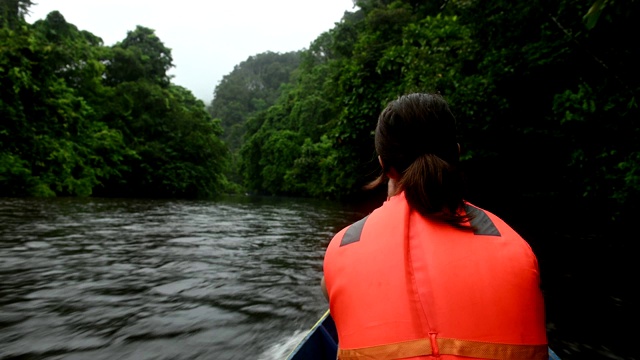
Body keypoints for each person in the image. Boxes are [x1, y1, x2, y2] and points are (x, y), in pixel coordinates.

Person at [321, 93, 548, 359]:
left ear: (384, 164)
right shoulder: (516, 245)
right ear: (457, 153)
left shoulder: (344, 245)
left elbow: (331, 292)